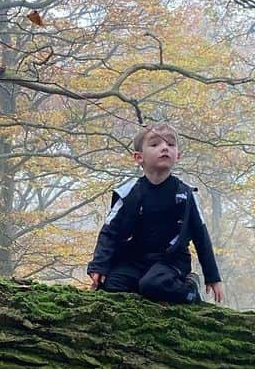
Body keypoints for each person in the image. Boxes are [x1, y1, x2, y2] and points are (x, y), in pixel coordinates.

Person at [87, 123, 224, 303]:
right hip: (136, 259)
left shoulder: (186, 194)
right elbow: (109, 231)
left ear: (178, 156)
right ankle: (149, 290)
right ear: (138, 157)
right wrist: (99, 266)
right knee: (112, 284)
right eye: (155, 144)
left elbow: (201, 234)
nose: (164, 148)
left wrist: (212, 277)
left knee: (153, 284)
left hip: (172, 261)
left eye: (170, 144)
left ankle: (189, 290)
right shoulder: (129, 193)